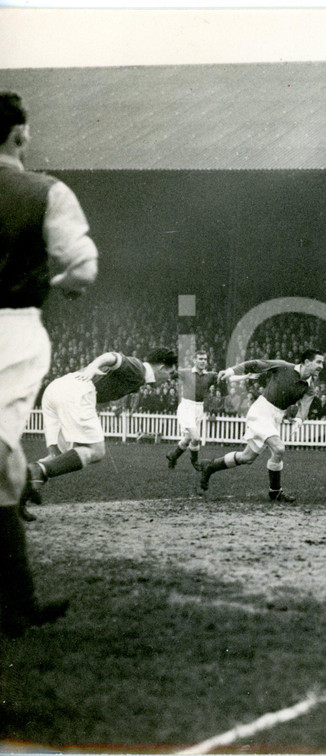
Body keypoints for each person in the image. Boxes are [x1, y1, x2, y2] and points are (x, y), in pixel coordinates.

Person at [0, 91, 99, 636]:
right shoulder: (45, 191)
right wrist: (54, 282)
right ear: (19, 135)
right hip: (11, 329)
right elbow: (82, 269)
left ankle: (18, 603)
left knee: (7, 467)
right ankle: (17, 604)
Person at [21, 348, 179, 517]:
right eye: (171, 374)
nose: (169, 380)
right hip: (77, 390)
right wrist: (91, 368)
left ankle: (18, 494)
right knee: (96, 451)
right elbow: (112, 357)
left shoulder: (139, 379)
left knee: (58, 457)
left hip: (56, 389)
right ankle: (36, 471)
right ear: (162, 368)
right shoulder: (139, 369)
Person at [197, 349, 326, 503]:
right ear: (306, 362)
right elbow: (255, 364)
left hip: (275, 418)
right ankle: (275, 491)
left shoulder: (310, 387)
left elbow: (304, 408)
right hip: (261, 412)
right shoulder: (283, 366)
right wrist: (231, 370)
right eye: (318, 362)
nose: (322, 366)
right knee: (279, 449)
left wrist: (298, 421)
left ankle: (210, 467)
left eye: (322, 363)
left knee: (247, 457)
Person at [165, 350, 220, 471]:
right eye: (200, 359)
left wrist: (245, 376)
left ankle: (173, 456)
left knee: (187, 439)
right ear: (194, 360)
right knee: (196, 438)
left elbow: (227, 376)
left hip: (199, 408)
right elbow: (169, 374)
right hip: (186, 407)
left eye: (205, 359)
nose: (203, 361)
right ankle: (195, 463)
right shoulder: (185, 372)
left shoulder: (210, 375)